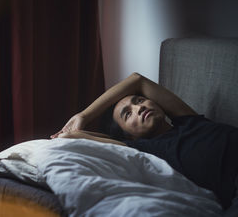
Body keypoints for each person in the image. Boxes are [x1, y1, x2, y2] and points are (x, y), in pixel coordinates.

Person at [51, 72, 238, 215]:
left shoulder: (188, 120)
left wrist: (84, 115)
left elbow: (137, 80)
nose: (139, 108)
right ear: (129, 136)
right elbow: (68, 138)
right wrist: (77, 124)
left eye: (139, 100)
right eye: (128, 114)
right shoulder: (145, 150)